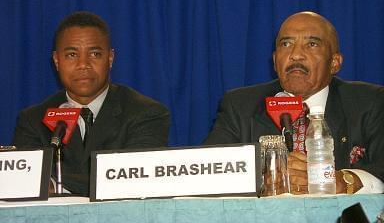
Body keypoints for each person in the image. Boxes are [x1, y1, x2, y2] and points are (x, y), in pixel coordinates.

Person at [204, 11, 384, 195]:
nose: (296, 55)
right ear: (275, 61)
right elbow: (206, 174)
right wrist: (261, 182)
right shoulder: (240, 106)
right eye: (286, 44)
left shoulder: (370, 102)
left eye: (312, 44)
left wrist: (344, 181)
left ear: (335, 63)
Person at [12, 11, 170, 196]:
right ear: (56, 61)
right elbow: (24, 183)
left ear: (110, 59)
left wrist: (55, 185)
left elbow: (134, 180)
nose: (83, 64)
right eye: (72, 54)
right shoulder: (32, 120)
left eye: (94, 54)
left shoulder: (146, 113)